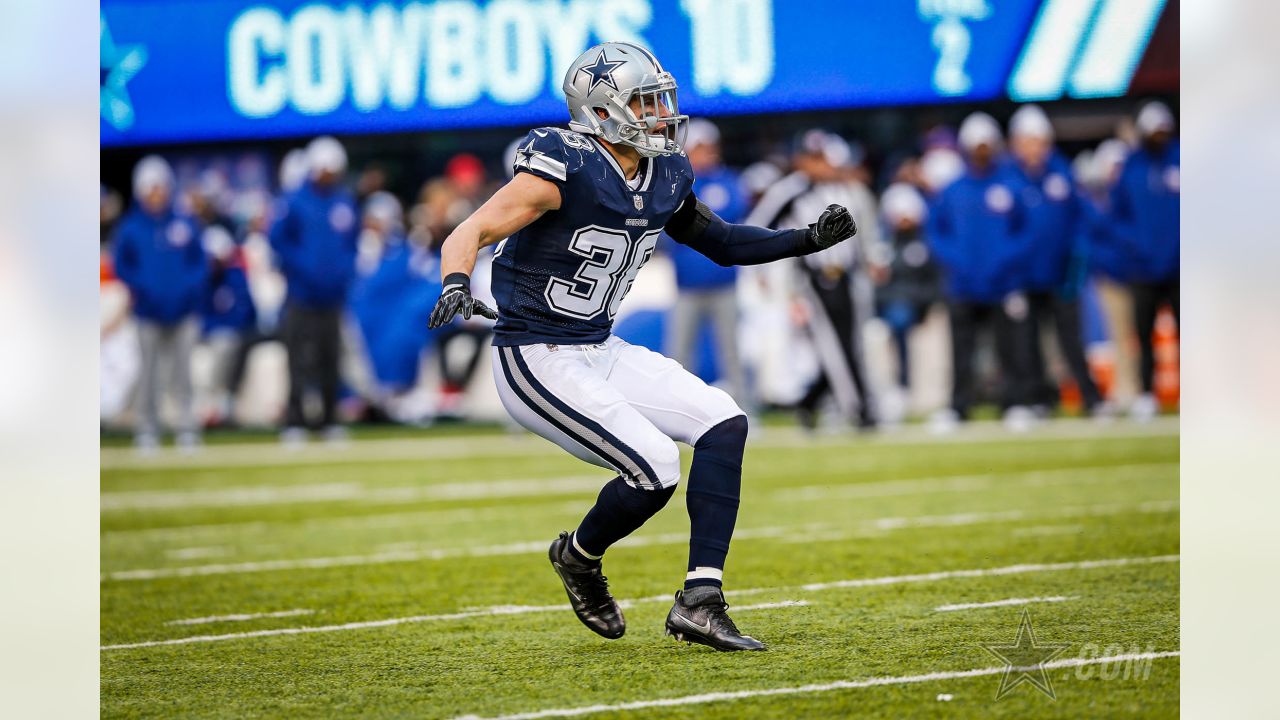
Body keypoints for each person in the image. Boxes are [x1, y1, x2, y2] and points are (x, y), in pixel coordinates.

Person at [428, 42, 857, 651]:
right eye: (645, 102)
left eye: (662, 101)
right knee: (655, 466)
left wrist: (806, 239)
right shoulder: (563, 164)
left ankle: (700, 601)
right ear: (601, 110)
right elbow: (470, 230)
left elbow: (726, 243)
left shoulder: (664, 172)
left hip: (598, 346)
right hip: (535, 354)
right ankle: (579, 558)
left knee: (724, 421)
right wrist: (454, 281)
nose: (661, 114)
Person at [747, 130, 881, 430]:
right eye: (816, 159)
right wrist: (760, 269)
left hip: (849, 277)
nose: (824, 166)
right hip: (815, 280)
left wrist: (872, 261)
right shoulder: (791, 190)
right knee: (837, 347)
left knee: (849, 346)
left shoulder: (850, 188)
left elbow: (865, 232)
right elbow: (756, 226)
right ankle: (860, 411)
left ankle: (809, 403)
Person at [927, 112, 1035, 429]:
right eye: (977, 145)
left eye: (986, 144)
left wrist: (1005, 260)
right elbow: (936, 232)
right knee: (962, 351)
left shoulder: (1010, 186)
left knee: (1009, 347)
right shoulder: (953, 189)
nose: (982, 150)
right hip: (963, 283)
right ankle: (959, 406)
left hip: (1003, 282)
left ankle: (1014, 402)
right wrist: (955, 259)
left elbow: (1027, 231)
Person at [1007, 105, 1106, 416]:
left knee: (1071, 342)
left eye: (1037, 139)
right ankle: (1039, 399)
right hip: (1024, 275)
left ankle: (1090, 398)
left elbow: (1082, 221)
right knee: (1027, 343)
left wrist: (1076, 262)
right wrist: (1011, 268)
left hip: (1061, 273)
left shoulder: (1062, 173)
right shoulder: (1006, 178)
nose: (1033, 146)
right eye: (1027, 139)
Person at [111, 156, 208, 452]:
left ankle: (186, 426)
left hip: (183, 310)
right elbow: (123, 266)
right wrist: (144, 289)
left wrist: (187, 291)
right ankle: (147, 428)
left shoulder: (184, 222)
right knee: (148, 373)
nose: (156, 194)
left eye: (160, 187)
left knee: (183, 374)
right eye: (151, 188)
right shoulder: (131, 228)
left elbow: (199, 262)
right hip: (147, 311)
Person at [269, 136, 360, 445]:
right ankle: (295, 420)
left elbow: (352, 244)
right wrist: (301, 270)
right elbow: (278, 241)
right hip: (301, 294)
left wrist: (342, 272)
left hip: (332, 295)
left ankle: (328, 419)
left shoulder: (343, 201)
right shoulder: (294, 201)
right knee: (298, 359)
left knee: (330, 359)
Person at [663, 119, 752, 408]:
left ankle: (744, 409)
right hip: (687, 285)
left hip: (724, 282)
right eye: (699, 149)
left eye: (708, 148)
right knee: (679, 353)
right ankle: (677, 410)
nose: (705, 154)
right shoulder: (676, 182)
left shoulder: (729, 182)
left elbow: (731, 221)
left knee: (731, 351)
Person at [1110, 101, 1179, 421]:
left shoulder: (1181, 159)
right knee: (1143, 332)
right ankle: (1146, 393)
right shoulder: (1131, 168)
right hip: (1143, 267)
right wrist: (1137, 245)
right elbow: (1117, 216)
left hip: (1180, 265)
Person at [872, 182, 942, 400]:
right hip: (887, 307)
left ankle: (905, 385)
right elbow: (875, 286)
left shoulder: (925, 244)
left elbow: (934, 280)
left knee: (900, 317)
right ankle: (893, 387)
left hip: (919, 307)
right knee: (890, 322)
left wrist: (920, 302)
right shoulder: (882, 246)